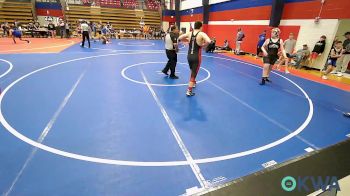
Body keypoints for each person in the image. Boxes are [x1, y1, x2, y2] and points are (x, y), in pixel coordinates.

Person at [178, 21, 211, 96]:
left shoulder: (189, 33)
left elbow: (179, 38)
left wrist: (188, 41)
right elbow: (209, 41)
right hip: (197, 56)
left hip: (189, 56)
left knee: (192, 70)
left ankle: (193, 82)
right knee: (194, 73)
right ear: (200, 27)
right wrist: (203, 44)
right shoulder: (202, 34)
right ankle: (189, 91)